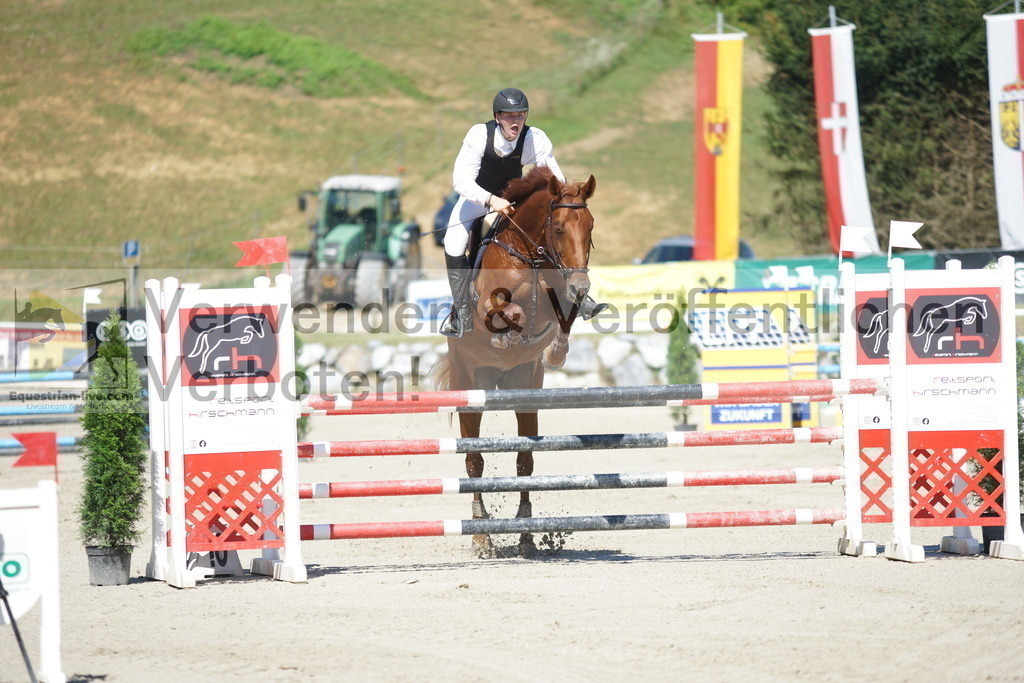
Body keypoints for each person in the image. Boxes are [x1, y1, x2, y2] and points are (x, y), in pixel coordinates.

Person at [441, 87, 607, 338]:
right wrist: (491, 200)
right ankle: (461, 310)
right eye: (509, 116)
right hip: (477, 197)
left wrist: (566, 199)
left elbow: (555, 177)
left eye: (520, 115)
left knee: (553, 229)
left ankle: (577, 296)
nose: (515, 121)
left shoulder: (535, 138)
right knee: (453, 242)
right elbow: (461, 180)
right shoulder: (479, 135)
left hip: (513, 198)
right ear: (497, 117)